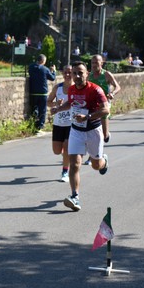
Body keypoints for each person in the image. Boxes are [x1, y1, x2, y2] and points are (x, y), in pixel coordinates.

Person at [50, 61, 110, 211]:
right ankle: (75, 196)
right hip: (76, 130)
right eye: (75, 73)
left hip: (93, 131)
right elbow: (70, 103)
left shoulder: (95, 90)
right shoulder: (71, 90)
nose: (77, 76)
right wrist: (58, 109)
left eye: (80, 73)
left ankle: (104, 161)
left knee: (96, 165)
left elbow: (106, 110)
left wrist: (87, 116)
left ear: (87, 74)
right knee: (75, 163)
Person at [47, 64, 73, 182]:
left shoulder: (77, 88)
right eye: (65, 72)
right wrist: (56, 104)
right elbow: (48, 102)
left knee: (67, 147)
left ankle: (65, 171)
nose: (67, 75)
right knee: (57, 151)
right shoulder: (57, 88)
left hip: (71, 124)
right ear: (62, 74)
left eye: (70, 72)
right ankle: (66, 157)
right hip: (58, 123)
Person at [88, 54, 120, 142]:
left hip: (104, 105)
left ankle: (107, 135)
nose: (94, 65)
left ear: (101, 63)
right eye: (92, 63)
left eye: (96, 63)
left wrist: (112, 93)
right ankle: (98, 154)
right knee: (93, 133)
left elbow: (117, 87)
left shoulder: (106, 74)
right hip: (92, 105)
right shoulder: (88, 76)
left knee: (104, 136)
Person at [28, 54, 56, 130]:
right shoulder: (45, 69)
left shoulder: (31, 67)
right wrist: (53, 71)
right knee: (43, 110)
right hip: (42, 92)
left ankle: (33, 122)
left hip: (33, 92)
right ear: (43, 61)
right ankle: (40, 126)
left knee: (34, 108)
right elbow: (52, 78)